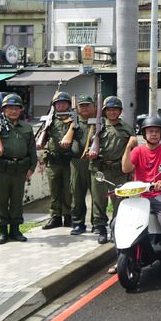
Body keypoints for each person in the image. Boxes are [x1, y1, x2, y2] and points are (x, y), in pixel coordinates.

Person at [121, 116, 161, 275]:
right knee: (117, 223)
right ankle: (120, 257)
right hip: (140, 196)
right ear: (144, 134)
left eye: (156, 131)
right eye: (150, 131)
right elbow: (126, 169)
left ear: (160, 133)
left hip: (160, 195)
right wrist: (128, 148)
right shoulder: (138, 150)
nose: (154, 134)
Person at [87, 96, 137, 245]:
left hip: (119, 170)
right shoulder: (97, 127)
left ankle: (116, 228)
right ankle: (100, 228)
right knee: (99, 200)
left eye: (115, 109)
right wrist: (92, 152)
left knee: (119, 202)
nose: (112, 112)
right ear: (104, 111)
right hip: (100, 169)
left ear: (120, 111)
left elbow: (133, 151)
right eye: (109, 110)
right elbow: (88, 147)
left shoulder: (128, 128)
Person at [0, 94, 37, 244]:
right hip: (1, 169)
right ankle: (3, 232)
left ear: (21, 110)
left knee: (17, 201)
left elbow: (32, 151)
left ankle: (15, 230)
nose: (13, 111)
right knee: (1, 201)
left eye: (16, 108)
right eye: (10, 108)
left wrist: (31, 168)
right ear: (3, 110)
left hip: (20, 169)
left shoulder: (27, 128)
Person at [39, 91, 75, 229]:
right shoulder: (50, 120)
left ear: (68, 105)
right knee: (54, 190)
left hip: (68, 161)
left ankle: (68, 216)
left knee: (68, 190)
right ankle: (55, 217)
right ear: (54, 105)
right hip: (53, 161)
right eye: (58, 103)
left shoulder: (73, 120)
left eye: (64, 103)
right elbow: (42, 139)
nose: (61, 105)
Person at [69, 95, 95, 235]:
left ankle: (97, 223)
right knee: (77, 195)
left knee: (97, 195)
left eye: (87, 105)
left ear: (94, 106)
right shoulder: (72, 123)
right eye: (82, 105)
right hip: (77, 163)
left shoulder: (99, 122)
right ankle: (78, 223)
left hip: (94, 162)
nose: (84, 108)